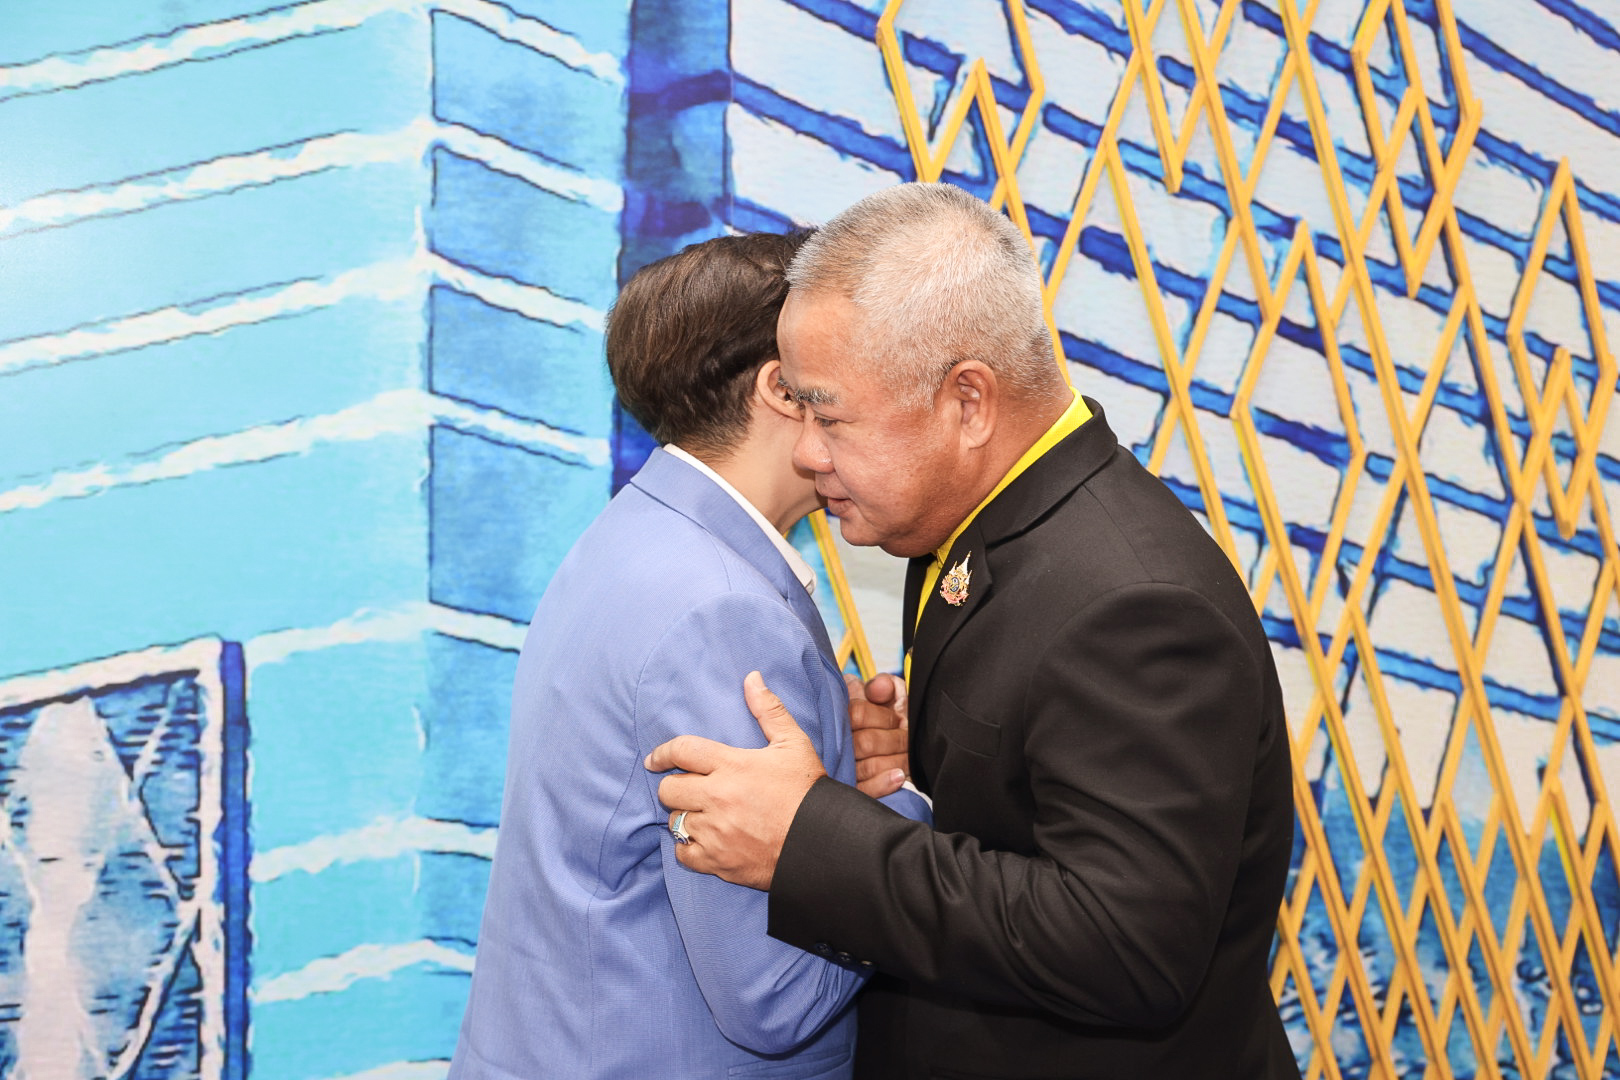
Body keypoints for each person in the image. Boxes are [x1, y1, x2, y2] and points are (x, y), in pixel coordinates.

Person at [645, 184, 1300, 1079]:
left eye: (829, 416)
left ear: (968, 403)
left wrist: (810, 837)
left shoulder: (1136, 603)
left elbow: (1125, 947)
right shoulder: (982, 522)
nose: (806, 452)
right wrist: (909, 771)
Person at [448, 230, 929, 1080]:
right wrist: (899, 808)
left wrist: (837, 779)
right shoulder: (724, 610)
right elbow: (776, 997)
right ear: (781, 386)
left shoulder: (635, 534)